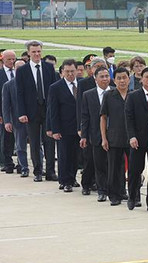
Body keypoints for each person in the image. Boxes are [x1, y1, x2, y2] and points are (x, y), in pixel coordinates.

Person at [15, 40, 57, 182]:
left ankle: (50, 171)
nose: (37, 54)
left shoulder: (49, 68)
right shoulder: (22, 70)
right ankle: (38, 171)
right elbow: (19, 93)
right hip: (31, 111)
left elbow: (53, 90)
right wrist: (21, 112)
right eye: (33, 52)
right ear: (28, 53)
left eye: (39, 51)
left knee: (49, 141)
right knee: (34, 142)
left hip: (48, 110)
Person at [125, 66, 148, 212]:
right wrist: (132, 136)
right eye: (147, 77)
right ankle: (132, 196)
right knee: (135, 170)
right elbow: (128, 118)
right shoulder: (133, 96)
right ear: (141, 79)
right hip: (138, 140)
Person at [47, 59, 80, 192]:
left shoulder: (82, 85)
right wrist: (54, 129)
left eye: (72, 71)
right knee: (64, 155)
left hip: (79, 127)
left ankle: (72, 177)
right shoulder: (55, 87)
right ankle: (65, 180)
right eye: (67, 72)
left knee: (76, 155)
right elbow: (52, 110)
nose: (70, 74)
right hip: (64, 127)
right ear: (62, 72)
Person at [80, 66, 112, 201]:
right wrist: (84, 136)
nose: (105, 79)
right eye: (102, 77)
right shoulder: (88, 95)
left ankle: (117, 189)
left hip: (115, 135)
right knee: (97, 164)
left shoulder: (115, 92)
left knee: (115, 164)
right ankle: (101, 190)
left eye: (106, 76)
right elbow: (85, 117)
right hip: (96, 135)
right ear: (95, 78)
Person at [100, 67, 131, 205]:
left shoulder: (134, 95)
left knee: (133, 168)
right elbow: (103, 118)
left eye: (124, 77)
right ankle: (114, 195)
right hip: (114, 136)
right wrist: (104, 138)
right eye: (119, 78)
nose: (122, 81)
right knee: (114, 167)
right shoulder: (109, 95)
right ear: (114, 80)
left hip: (131, 138)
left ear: (129, 79)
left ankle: (131, 194)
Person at [2, 59, 28, 176]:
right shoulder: (8, 85)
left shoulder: (32, 83)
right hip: (17, 120)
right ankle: (23, 167)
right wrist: (7, 121)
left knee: (37, 146)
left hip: (33, 120)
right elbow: (6, 105)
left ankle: (38, 167)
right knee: (20, 146)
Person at [0, 49, 17, 173]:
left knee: (18, 139)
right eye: (8, 59)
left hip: (18, 111)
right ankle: (7, 162)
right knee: (6, 138)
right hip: (4, 112)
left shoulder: (19, 72)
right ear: (3, 60)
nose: (11, 62)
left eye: (13, 59)